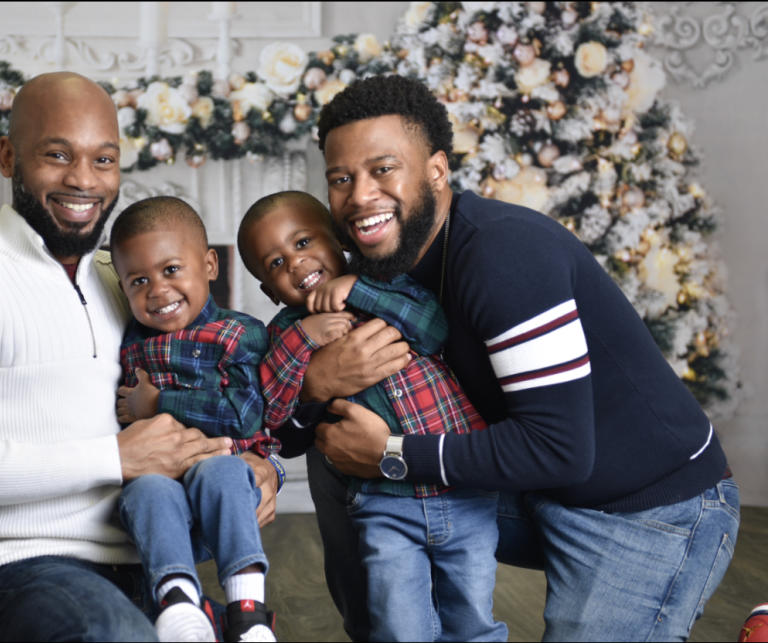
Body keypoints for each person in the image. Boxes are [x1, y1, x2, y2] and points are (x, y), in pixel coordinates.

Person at [299, 74, 740, 642]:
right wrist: (316, 385)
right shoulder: (383, 264)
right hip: (535, 490)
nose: (360, 196)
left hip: (649, 509)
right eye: (342, 178)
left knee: (370, 457)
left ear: (436, 170)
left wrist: (391, 454)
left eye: (383, 169)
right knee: (338, 454)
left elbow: (558, 450)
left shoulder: (503, 254)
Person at [0, 71, 277, 643]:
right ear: (8, 157)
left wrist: (260, 466)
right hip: (28, 569)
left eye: (104, 160)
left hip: (154, 560)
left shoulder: (125, 280)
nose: (84, 180)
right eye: (57, 154)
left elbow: (213, 381)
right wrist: (113, 457)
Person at [237, 190, 506, 642]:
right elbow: (274, 409)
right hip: (383, 501)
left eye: (303, 244)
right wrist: (305, 340)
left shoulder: (387, 283)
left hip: (462, 492)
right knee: (398, 625)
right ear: (269, 291)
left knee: (472, 617)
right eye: (277, 264)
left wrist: (357, 288)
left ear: (338, 241)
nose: (297, 264)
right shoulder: (284, 333)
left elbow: (433, 328)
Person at [110, 196, 277, 642]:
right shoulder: (128, 344)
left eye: (171, 270)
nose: (158, 291)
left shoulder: (239, 334)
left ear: (209, 265)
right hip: (160, 502)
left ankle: (248, 610)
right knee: (146, 488)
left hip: (224, 495)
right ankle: (179, 602)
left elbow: (244, 416)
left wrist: (159, 404)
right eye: (138, 280)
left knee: (222, 470)